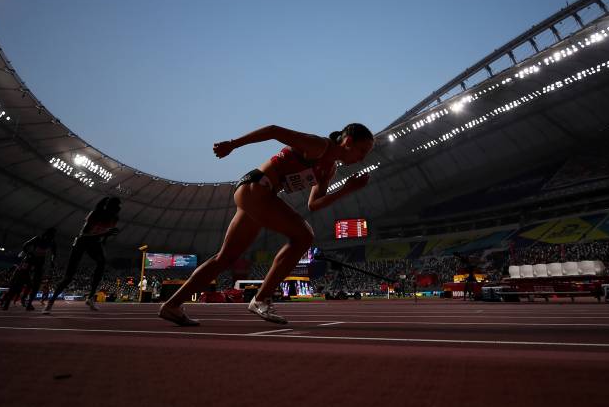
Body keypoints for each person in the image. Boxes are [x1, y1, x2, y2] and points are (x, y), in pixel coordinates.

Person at [159, 123, 374, 326]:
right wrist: (232, 144)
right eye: (362, 150)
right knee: (303, 237)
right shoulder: (318, 146)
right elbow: (273, 130)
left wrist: (347, 190)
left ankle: (172, 305)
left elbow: (314, 204)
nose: (362, 158)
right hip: (257, 188)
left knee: (224, 258)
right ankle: (261, 299)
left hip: (257, 194)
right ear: (348, 142)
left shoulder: (328, 170)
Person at [44, 197, 121, 313]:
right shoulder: (96, 213)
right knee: (68, 277)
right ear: (110, 207)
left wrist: (105, 238)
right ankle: (50, 303)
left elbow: (103, 233)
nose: (119, 209)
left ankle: (90, 298)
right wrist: (106, 233)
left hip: (96, 243)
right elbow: (86, 234)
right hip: (83, 241)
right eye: (116, 207)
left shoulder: (115, 218)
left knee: (102, 262)